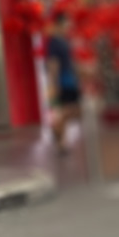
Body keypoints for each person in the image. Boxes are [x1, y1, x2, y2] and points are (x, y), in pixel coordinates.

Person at [45, 14, 81, 153]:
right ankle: (61, 141)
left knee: (74, 110)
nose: (68, 27)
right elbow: (53, 63)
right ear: (59, 25)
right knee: (66, 110)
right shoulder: (54, 42)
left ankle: (57, 130)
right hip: (63, 80)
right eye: (66, 24)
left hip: (71, 79)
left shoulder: (66, 40)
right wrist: (55, 83)